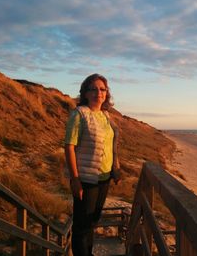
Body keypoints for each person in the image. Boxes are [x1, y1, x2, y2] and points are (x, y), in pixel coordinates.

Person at [64, 73, 120, 256]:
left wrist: (116, 168)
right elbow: (69, 147)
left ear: (106, 93)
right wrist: (75, 179)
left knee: (92, 221)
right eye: (93, 89)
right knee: (81, 226)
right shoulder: (79, 114)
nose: (99, 92)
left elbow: (111, 145)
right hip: (86, 178)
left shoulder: (105, 116)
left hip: (104, 178)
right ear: (85, 93)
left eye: (102, 89)